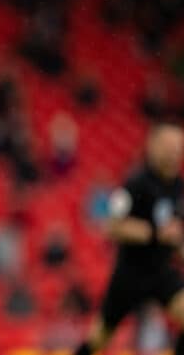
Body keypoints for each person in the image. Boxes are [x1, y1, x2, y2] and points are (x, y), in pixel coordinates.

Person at [74, 123, 184, 355]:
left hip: (162, 272)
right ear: (152, 146)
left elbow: (174, 234)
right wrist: (154, 233)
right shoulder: (135, 184)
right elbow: (112, 226)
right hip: (130, 275)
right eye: (168, 145)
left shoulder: (177, 187)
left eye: (178, 146)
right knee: (98, 339)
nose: (174, 151)